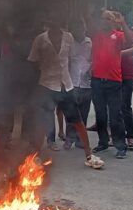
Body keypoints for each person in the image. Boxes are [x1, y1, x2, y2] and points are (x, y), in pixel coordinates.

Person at [27, 13, 104, 169]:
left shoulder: (68, 37)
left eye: (57, 19)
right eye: (51, 19)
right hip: (46, 85)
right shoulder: (40, 39)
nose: (54, 22)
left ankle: (89, 156)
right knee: (43, 122)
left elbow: (72, 58)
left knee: (77, 121)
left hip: (65, 85)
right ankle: (35, 156)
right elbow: (33, 61)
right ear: (48, 21)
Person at [86, 8, 133, 159]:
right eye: (103, 18)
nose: (105, 21)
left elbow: (130, 41)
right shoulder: (96, 35)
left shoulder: (119, 35)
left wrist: (124, 24)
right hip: (97, 80)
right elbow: (88, 20)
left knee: (115, 115)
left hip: (114, 81)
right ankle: (103, 142)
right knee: (100, 113)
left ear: (114, 21)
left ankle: (121, 146)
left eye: (109, 18)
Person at [66, 20, 92, 150]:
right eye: (77, 28)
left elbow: (93, 59)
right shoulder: (70, 43)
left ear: (85, 28)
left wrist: (91, 69)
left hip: (86, 83)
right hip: (73, 82)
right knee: (71, 112)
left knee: (83, 112)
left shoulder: (90, 43)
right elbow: (68, 60)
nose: (80, 30)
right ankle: (69, 139)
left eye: (82, 27)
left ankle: (80, 140)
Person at [120, 26, 133, 148]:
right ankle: (116, 136)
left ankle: (130, 136)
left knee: (125, 105)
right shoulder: (106, 34)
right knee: (113, 107)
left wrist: (118, 54)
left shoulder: (129, 34)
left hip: (127, 74)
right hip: (112, 73)